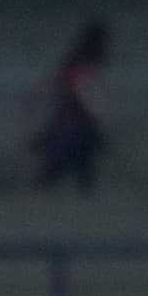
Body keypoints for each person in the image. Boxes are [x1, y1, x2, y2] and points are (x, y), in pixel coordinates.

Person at [32, 21, 109, 193]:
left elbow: (62, 83)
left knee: (77, 157)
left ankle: (81, 190)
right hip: (74, 118)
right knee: (73, 155)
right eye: (103, 40)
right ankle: (79, 190)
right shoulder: (84, 60)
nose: (106, 44)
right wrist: (92, 115)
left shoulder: (82, 59)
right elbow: (75, 88)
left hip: (72, 117)